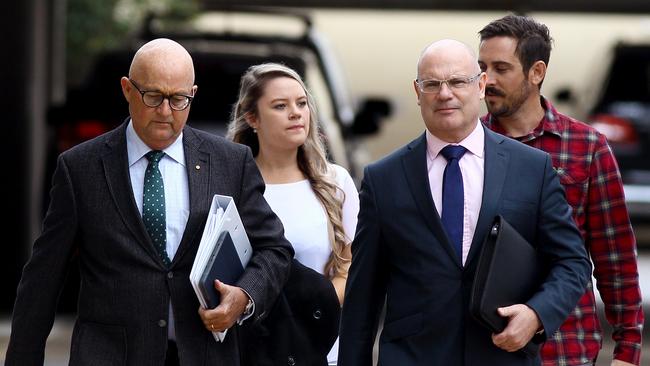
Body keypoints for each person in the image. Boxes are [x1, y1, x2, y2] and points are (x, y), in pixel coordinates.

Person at [4, 38, 293, 366]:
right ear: (127, 89)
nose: (165, 111)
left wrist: (243, 297)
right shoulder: (80, 168)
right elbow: (43, 277)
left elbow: (274, 250)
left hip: (202, 353)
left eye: (179, 99)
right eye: (153, 96)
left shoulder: (230, 162)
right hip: (111, 356)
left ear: (193, 94)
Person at [338, 39, 592, 366]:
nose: (445, 94)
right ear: (417, 92)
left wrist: (536, 314)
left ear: (481, 85)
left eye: (458, 81)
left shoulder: (532, 168)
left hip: (502, 356)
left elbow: (573, 263)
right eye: (432, 84)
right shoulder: (383, 178)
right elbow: (363, 295)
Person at [478, 14, 644, 366]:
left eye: (501, 69)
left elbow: (614, 255)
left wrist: (627, 351)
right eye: (482, 67)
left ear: (536, 72)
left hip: (564, 345)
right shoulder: (468, 146)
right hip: (481, 345)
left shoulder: (587, 147)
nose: (486, 80)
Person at [222, 62, 360, 365]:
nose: (296, 113)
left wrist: (307, 312)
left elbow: (351, 269)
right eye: (280, 106)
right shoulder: (230, 187)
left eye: (301, 103)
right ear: (252, 118)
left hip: (323, 349)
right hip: (251, 351)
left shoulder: (335, 182)